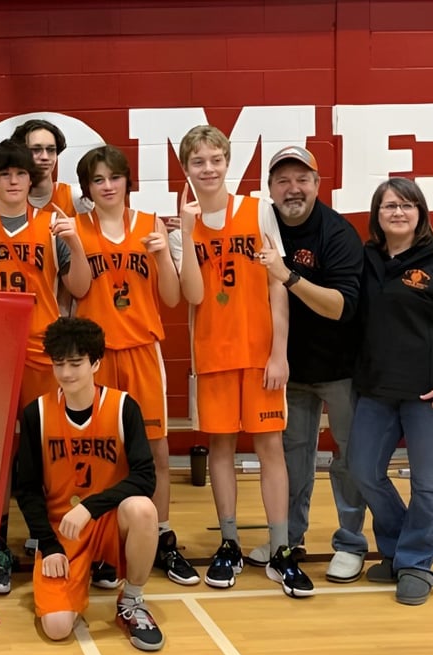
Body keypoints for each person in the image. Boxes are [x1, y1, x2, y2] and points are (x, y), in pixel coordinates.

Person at [0, 139, 91, 594]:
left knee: (44, 448)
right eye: (4, 174)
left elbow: (80, 287)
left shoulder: (50, 226)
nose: (13, 181)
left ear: (33, 179)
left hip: (40, 348)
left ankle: (46, 536)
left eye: (21, 173)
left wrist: (75, 244)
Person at [176, 125, 313, 597]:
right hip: (212, 356)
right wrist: (188, 232)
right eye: (198, 162)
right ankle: (229, 543)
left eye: (215, 159)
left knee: (271, 449)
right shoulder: (182, 224)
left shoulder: (258, 211)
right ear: (186, 168)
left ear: (228, 161)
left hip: (260, 356)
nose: (208, 168)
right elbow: (191, 295)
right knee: (221, 451)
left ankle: (280, 550)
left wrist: (280, 352)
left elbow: (278, 283)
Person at [72, 145, 198, 587]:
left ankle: (162, 537)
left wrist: (164, 253)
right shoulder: (77, 229)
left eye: (114, 178)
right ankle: (105, 543)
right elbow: (76, 288)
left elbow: (171, 297)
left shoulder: (149, 225)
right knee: (101, 453)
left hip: (143, 349)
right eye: (98, 180)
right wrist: (71, 243)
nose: (107, 186)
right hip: (96, 357)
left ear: (128, 181)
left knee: (156, 450)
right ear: (87, 189)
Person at [347, 177, 433, 606]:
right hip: (376, 389)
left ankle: (417, 562)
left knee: (426, 481)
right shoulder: (367, 259)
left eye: (407, 205)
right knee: (362, 470)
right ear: (376, 217)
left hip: (431, 395)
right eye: (388, 206)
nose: (398, 212)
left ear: (421, 213)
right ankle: (398, 546)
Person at [252, 146, 368, 582]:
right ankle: (290, 538)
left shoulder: (337, 234)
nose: (292, 188)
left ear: (318, 184)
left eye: (302, 179)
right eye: (283, 180)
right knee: (292, 459)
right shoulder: (264, 224)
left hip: (340, 369)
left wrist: (290, 277)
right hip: (290, 371)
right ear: (270, 189)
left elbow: (341, 307)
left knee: (349, 458)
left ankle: (351, 543)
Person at [15, 316, 164, 651]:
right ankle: (76, 582)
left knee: (142, 509)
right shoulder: (35, 413)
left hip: (107, 520)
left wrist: (89, 508)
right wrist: (48, 543)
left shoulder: (124, 407)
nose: (66, 373)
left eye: (76, 363)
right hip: (62, 530)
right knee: (56, 628)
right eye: (59, 364)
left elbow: (145, 477)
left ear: (96, 362)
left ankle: (132, 602)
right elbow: (25, 489)